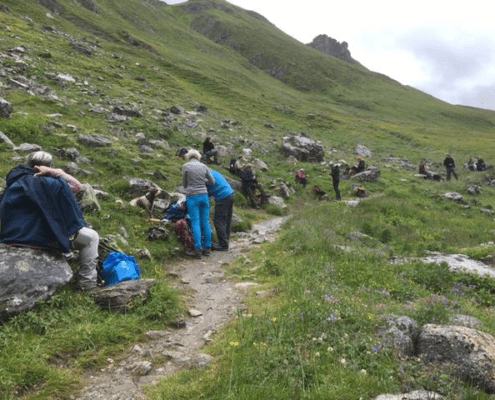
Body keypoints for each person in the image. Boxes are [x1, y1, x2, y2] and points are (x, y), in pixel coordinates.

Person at [0, 151, 99, 290]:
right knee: (92, 237)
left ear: (28, 163)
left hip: (12, 237)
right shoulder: (56, 183)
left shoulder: (15, 182)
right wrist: (56, 172)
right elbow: (78, 187)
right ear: (49, 165)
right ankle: (87, 283)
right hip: (43, 239)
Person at [182, 149, 215, 258]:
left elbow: (184, 184)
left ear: (189, 156)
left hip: (192, 196)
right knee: (205, 221)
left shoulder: (186, 166)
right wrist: (202, 182)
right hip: (204, 196)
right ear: (198, 156)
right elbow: (212, 182)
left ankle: (197, 249)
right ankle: (207, 248)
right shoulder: (204, 166)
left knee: (195, 222)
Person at [207, 170, 235, 251]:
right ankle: (226, 241)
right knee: (227, 220)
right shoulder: (214, 172)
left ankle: (223, 245)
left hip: (222, 197)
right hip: (230, 194)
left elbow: (206, 191)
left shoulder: (206, 176)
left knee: (218, 221)